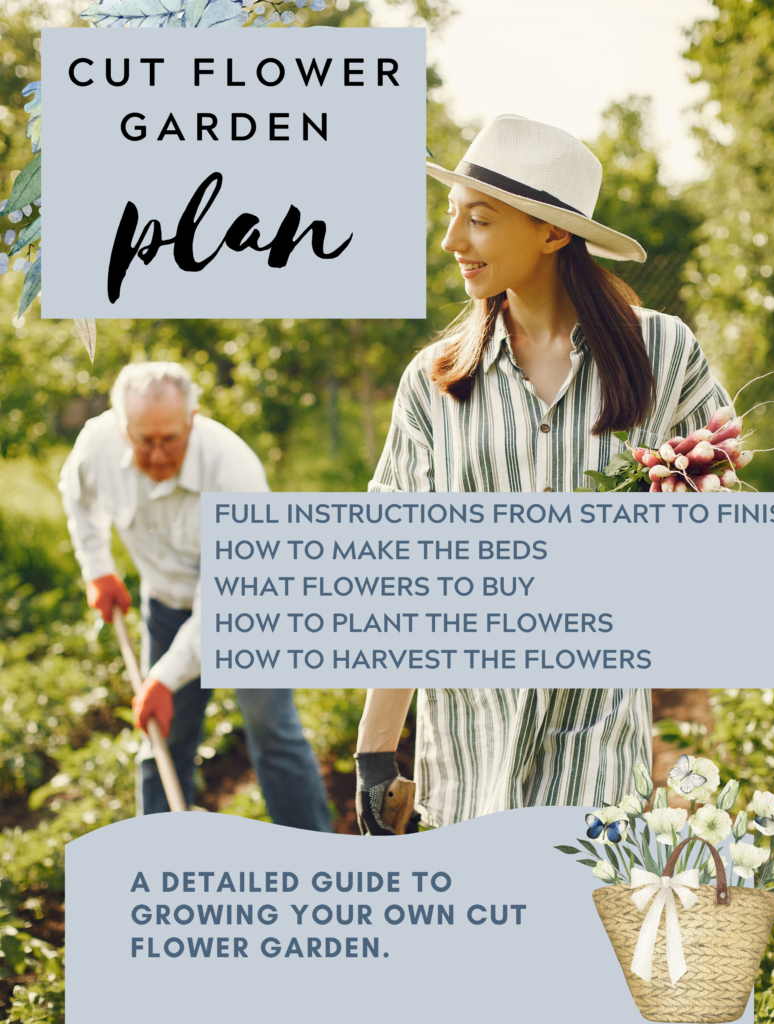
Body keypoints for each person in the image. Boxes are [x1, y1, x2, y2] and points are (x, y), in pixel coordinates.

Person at [354, 114, 729, 835]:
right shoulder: (434, 384)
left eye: (480, 221)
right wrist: (375, 751)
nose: (451, 241)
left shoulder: (661, 353)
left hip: (594, 732)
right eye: (452, 217)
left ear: (553, 233)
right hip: (469, 742)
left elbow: (712, 531)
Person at [60, 361, 332, 830]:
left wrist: (163, 678)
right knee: (162, 738)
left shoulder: (234, 471)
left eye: (171, 439)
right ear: (121, 427)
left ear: (194, 418)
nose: (159, 454)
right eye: (145, 441)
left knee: (273, 734)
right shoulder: (97, 444)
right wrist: (99, 571)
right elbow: (77, 496)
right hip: (166, 605)